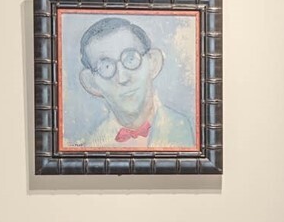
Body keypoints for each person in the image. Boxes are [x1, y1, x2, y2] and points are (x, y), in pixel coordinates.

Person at [72, 16, 195, 148]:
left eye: (131, 59)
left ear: (153, 63)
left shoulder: (187, 129)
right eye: (106, 67)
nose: (122, 78)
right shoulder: (89, 146)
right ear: (92, 83)